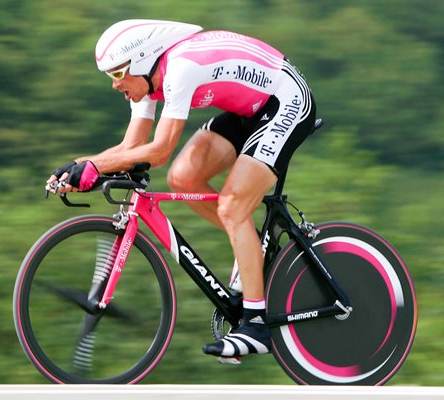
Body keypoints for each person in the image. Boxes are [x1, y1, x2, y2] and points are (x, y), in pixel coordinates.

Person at [46, 19, 316, 363]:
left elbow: (158, 151)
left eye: (117, 74)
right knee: (184, 177)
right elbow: (131, 145)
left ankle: (257, 325)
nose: (114, 85)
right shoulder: (145, 82)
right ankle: (254, 251)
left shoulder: (180, 69)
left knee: (233, 206)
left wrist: (96, 167)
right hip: (249, 109)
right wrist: (79, 165)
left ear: (142, 60)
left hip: (286, 101)